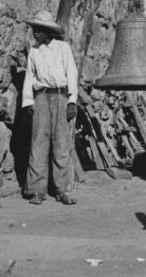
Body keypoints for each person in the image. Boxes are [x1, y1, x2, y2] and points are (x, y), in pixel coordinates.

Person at [22, 10, 78, 205]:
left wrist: (72, 101)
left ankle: (63, 190)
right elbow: (30, 77)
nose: (35, 33)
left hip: (61, 97)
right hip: (41, 98)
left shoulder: (63, 48)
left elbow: (71, 73)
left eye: (39, 30)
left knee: (61, 143)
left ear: (49, 31)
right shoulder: (34, 51)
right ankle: (37, 189)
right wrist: (29, 101)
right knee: (39, 143)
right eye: (34, 30)